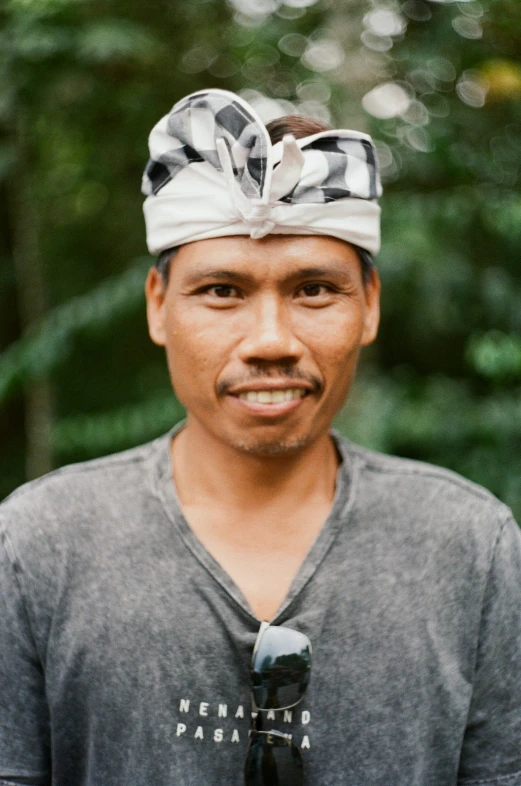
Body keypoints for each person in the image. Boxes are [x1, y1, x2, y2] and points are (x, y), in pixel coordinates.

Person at [0, 88, 520, 786]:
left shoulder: (470, 546)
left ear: (368, 306)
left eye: (313, 290)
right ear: (159, 307)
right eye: (221, 290)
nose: (270, 341)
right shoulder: (35, 545)